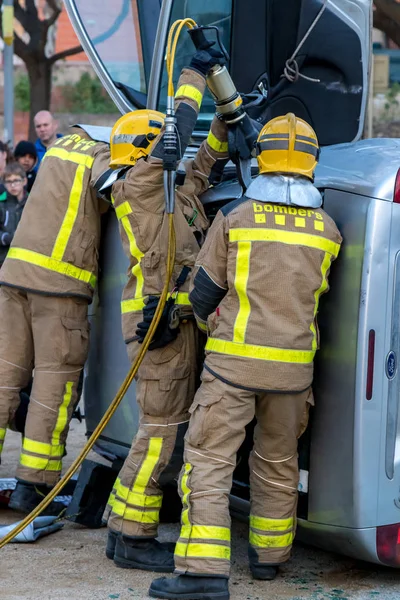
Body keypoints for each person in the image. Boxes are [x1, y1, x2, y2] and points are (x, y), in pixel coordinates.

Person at [150, 113, 343, 600]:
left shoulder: (236, 218)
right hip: (294, 374)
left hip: (232, 370)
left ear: (262, 160)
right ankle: (269, 560)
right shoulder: (328, 230)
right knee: (277, 461)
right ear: (311, 164)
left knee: (209, 461)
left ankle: (202, 572)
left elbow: (202, 297)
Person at [102, 50, 229, 573]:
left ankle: (120, 529)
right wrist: (195, 77)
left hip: (170, 324)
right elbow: (175, 135)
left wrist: (229, 113)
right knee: (160, 433)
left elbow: (205, 163)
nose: (172, 149)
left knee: (157, 431)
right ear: (147, 150)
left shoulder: (173, 191)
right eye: (160, 144)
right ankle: (134, 537)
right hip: (158, 329)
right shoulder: (142, 185)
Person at [0, 127, 111, 514]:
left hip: (14, 276)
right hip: (60, 285)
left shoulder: (63, 145)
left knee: (4, 377)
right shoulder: (104, 153)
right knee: (54, 383)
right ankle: (34, 487)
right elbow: (117, 189)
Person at [0, 163, 28, 266]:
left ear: (24, 181)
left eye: (16, 180)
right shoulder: (1, 202)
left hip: (24, 258)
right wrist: (4, 237)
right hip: (3, 259)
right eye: (8, 181)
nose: (12, 185)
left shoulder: (31, 203)